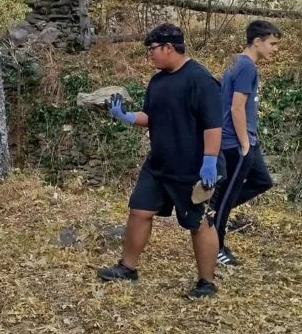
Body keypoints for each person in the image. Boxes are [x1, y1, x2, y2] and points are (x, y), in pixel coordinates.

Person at [96, 23, 224, 299]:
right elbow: (151, 116)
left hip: (192, 169)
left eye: (152, 50)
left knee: (199, 224)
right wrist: (128, 117)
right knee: (139, 211)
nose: (149, 56)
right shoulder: (158, 81)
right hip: (159, 165)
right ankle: (127, 268)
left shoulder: (201, 80)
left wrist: (210, 161)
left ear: (169, 48)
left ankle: (206, 282)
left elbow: (213, 126)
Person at [210, 20, 281, 266]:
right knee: (226, 195)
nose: (275, 49)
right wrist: (244, 144)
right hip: (235, 143)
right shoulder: (246, 66)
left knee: (262, 181)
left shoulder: (238, 63)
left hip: (246, 140)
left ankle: (215, 209)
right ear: (257, 41)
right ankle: (215, 247)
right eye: (272, 44)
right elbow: (236, 107)